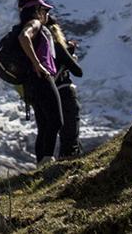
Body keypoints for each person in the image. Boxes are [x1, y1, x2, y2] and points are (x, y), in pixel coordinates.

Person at [15, 0, 74, 163]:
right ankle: (47, 160)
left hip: (31, 82)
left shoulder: (33, 26)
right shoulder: (35, 24)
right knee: (56, 120)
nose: (47, 14)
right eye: (46, 10)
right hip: (41, 77)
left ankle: (41, 163)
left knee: (44, 125)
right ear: (38, 11)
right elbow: (23, 37)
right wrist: (38, 64)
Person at [46, 9, 84, 159]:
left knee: (60, 131)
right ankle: (68, 162)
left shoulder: (38, 50)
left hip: (49, 95)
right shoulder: (56, 46)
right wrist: (70, 57)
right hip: (65, 92)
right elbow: (78, 72)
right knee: (71, 134)